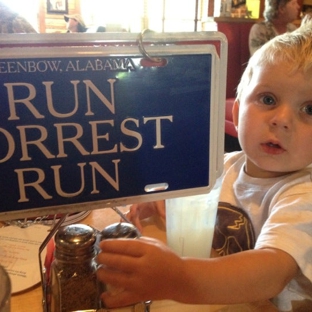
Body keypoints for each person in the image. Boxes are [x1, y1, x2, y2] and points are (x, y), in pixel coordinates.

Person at [96, 22, 312, 312]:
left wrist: (179, 277)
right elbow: (187, 199)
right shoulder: (220, 165)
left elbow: (271, 272)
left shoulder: (303, 195)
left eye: (309, 109)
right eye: (268, 99)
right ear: (236, 113)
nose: (282, 119)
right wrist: (161, 202)